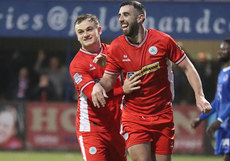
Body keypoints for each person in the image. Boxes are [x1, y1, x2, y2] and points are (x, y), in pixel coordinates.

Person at [91, 1, 212, 161]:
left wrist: (199, 96)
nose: (121, 19)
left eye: (126, 14)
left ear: (140, 18)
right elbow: (108, 79)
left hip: (163, 114)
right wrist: (98, 86)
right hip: (133, 115)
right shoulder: (116, 47)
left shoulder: (163, 41)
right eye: (119, 15)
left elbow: (188, 67)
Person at [69, 14, 139, 161]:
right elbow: (95, 95)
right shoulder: (77, 64)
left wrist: (112, 63)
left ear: (99, 30)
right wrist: (123, 90)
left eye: (89, 29)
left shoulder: (115, 52)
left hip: (118, 126)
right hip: (92, 128)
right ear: (77, 37)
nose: (86, 34)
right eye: (80, 32)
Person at [191, 39, 230, 161]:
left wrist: (218, 120)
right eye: (220, 48)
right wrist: (200, 118)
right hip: (225, 123)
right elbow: (218, 101)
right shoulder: (222, 73)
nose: (219, 51)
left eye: (224, 49)